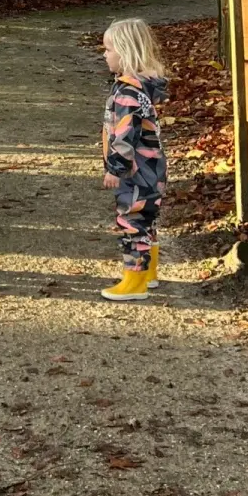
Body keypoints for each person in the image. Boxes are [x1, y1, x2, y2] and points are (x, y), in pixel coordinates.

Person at [98, 17, 168, 302]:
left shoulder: (128, 93)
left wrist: (116, 168)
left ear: (125, 53)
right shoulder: (142, 86)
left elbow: (125, 134)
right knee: (146, 219)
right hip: (152, 167)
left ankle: (134, 280)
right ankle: (149, 274)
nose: (104, 55)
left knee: (132, 222)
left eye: (108, 49)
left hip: (135, 171)